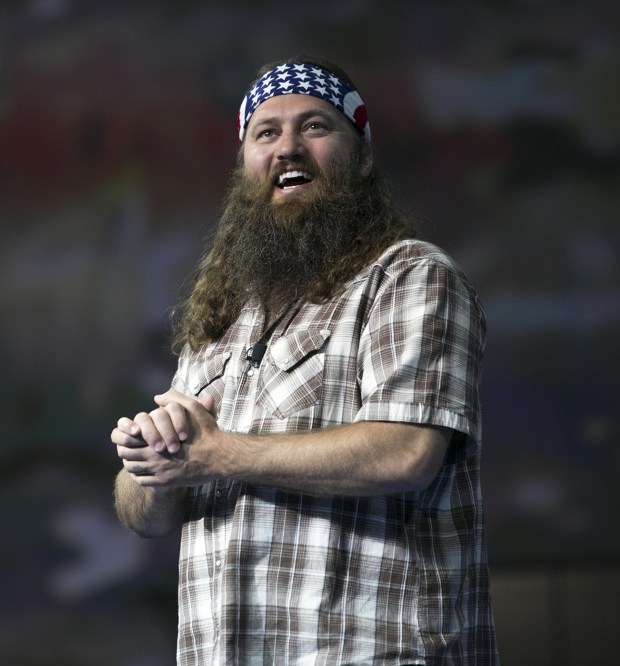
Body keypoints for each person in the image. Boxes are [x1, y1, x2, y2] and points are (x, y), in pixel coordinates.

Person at [111, 56, 499, 665]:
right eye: (266, 133)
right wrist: (150, 464)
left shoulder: (408, 277)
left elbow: (406, 453)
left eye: (315, 126)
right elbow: (149, 518)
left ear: (363, 155)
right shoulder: (218, 324)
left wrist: (217, 453)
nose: (288, 147)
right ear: (245, 167)